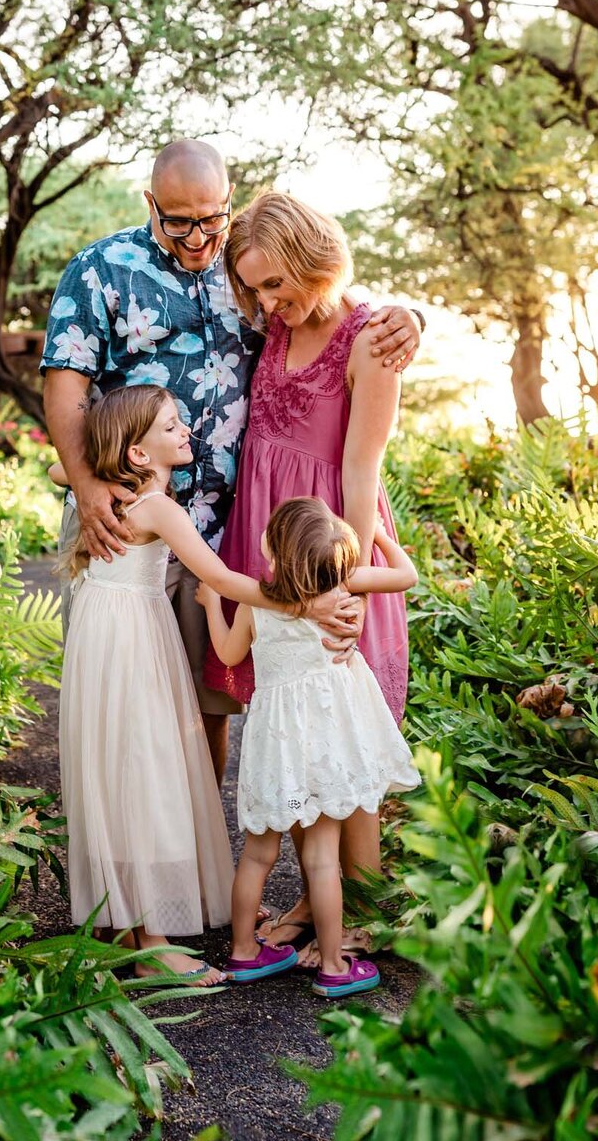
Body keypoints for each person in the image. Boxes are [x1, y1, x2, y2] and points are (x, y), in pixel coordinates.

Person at [41, 140, 424, 784]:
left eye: (210, 217)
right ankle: (122, 848)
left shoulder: (246, 272)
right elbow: (65, 385)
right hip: (124, 520)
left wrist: (412, 316)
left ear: (229, 203)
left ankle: (201, 854)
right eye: (178, 219)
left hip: (218, 528)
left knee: (207, 705)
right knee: (117, 697)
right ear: (150, 204)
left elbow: (330, 310)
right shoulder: (101, 268)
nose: (197, 236)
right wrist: (85, 488)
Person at [60, 385, 322, 983]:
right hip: (131, 640)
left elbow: (59, 464)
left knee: (119, 767)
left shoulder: (125, 493)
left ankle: (120, 919)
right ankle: (151, 943)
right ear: (138, 455)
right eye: (171, 426)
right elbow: (222, 578)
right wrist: (299, 603)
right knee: (144, 771)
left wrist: (96, 470)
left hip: (108, 635)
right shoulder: (158, 508)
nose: (185, 431)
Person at [209, 189, 412, 960]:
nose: (266, 303)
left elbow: (361, 472)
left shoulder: (368, 336)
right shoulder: (276, 324)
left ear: (310, 260)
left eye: (275, 283)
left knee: (345, 738)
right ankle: (314, 902)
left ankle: (361, 911)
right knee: (295, 734)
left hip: (327, 551)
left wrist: (342, 587)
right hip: (270, 549)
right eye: (254, 288)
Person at [200, 498, 420, 997]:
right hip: (323, 764)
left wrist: (214, 603)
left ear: (273, 551)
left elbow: (229, 654)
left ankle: (243, 953)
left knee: (257, 855)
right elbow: (406, 576)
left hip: (281, 766)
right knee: (323, 858)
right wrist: (381, 535)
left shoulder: (257, 600)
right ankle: (335, 966)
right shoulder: (341, 588)